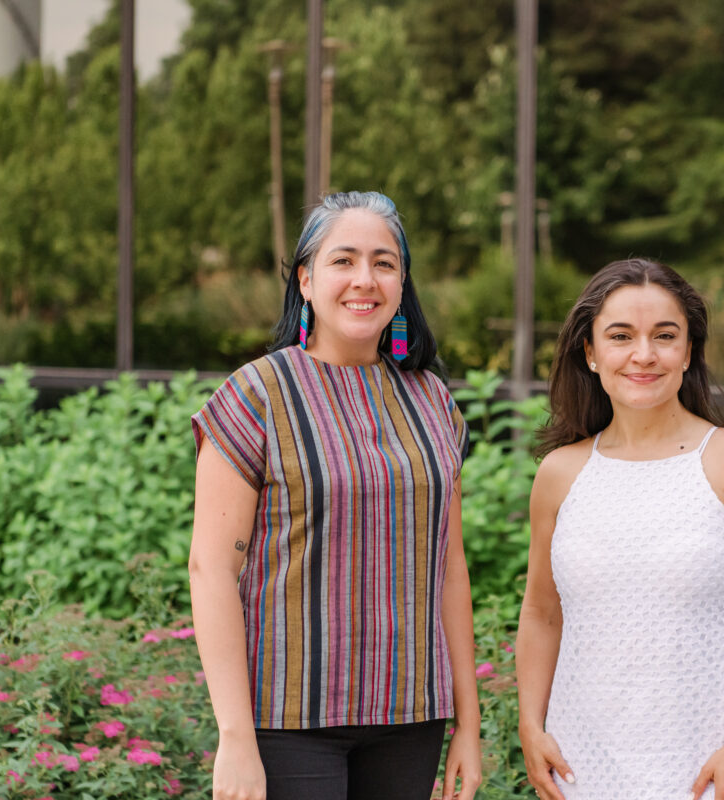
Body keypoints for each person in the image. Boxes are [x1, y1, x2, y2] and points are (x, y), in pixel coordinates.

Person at [188, 191, 482, 800]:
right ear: (306, 278)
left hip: (411, 717)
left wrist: (468, 727)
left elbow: (450, 570)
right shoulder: (256, 396)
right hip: (287, 719)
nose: (364, 280)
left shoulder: (432, 402)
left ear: (402, 283)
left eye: (384, 262)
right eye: (344, 260)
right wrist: (235, 737)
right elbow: (212, 568)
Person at [515, 258, 724, 800]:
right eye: (621, 336)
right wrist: (530, 728)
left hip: (706, 770)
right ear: (591, 352)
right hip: (581, 769)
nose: (643, 354)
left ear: (688, 350)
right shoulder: (560, 475)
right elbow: (541, 613)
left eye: (664, 336)